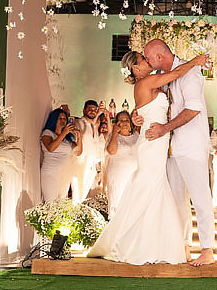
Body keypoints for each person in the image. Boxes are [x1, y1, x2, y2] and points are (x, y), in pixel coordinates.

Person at [87, 51, 210, 265]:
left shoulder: (147, 84)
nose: (147, 61)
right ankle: (134, 241)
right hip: (153, 141)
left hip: (156, 140)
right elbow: (177, 73)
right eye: (143, 60)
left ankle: (152, 242)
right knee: (151, 186)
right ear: (135, 68)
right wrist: (195, 61)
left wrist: (136, 114)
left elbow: (150, 105)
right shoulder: (148, 82)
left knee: (152, 187)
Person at [135, 38, 217, 266]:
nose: (148, 63)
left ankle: (208, 249)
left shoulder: (190, 74)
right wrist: (138, 115)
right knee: (176, 201)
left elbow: (193, 109)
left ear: (160, 56)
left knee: (200, 199)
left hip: (191, 146)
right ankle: (184, 246)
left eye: (149, 58)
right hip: (171, 149)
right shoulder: (168, 77)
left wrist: (165, 128)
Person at [39, 108, 81, 203]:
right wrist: (64, 133)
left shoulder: (68, 139)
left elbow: (78, 152)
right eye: (60, 118)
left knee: (61, 203)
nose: (63, 121)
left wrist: (79, 136)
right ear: (54, 120)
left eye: (64, 119)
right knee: (51, 202)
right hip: (51, 172)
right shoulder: (47, 133)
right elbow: (50, 148)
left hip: (64, 173)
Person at [103, 110, 139, 218]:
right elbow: (111, 151)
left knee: (133, 204)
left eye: (126, 120)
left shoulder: (136, 135)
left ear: (130, 123)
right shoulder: (112, 136)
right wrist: (114, 133)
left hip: (134, 174)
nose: (124, 122)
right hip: (117, 175)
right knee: (118, 203)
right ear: (116, 123)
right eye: (121, 120)